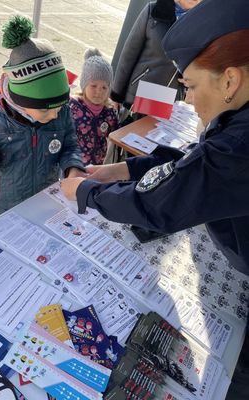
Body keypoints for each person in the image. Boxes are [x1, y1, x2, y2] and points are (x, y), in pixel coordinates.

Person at [61, 0, 249, 397]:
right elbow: (194, 164)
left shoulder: (240, 144)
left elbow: (159, 203)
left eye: (193, 87)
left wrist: (86, 191)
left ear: (229, 81)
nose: (191, 100)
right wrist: (123, 169)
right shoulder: (239, 119)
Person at [0, 16, 85, 215]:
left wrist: (73, 168)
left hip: (46, 195)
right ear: (21, 100)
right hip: (8, 201)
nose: (55, 115)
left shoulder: (59, 109)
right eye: (44, 110)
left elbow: (70, 144)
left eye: (60, 107)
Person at [110, 0, 201, 120]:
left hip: (171, 100)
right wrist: (116, 95)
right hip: (140, 93)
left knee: (155, 136)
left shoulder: (202, 23)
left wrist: (193, 77)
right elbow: (129, 55)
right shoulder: (153, 10)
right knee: (126, 133)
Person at [69, 48, 118, 166]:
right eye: (93, 86)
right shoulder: (72, 107)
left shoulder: (109, 112)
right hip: (73, 163)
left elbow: (116, 131)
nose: (99, 91)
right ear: (84, 85)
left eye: (104, 88)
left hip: (97, 164)